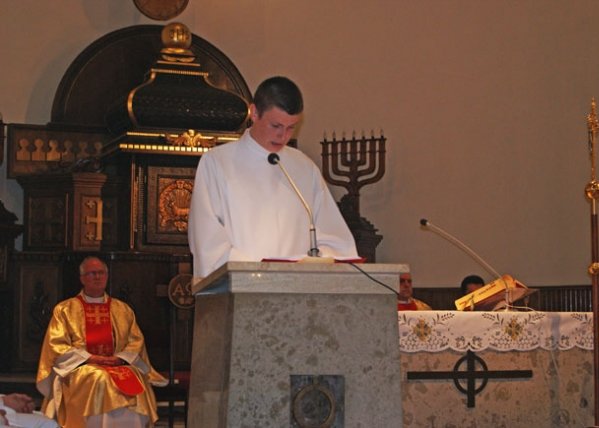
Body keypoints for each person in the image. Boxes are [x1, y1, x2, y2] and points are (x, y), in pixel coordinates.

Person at [188, 76, 359, 280]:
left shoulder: (304, 168)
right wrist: (259, 274)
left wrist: (313, 265)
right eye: (276, 126)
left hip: (296, 288)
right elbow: (208, 241)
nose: (283, 136)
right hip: (243, 286)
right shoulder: (217, 163)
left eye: (291, 127)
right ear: (254, 113)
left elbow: (334, 240)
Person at [36, 257, 167, 428]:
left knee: (134, 377)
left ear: (107, 276)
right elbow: (56, 345)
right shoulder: (65, 309)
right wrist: (90, 358)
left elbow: (136, 342)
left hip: (117, 363)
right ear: (82, 278)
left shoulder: (122, 309)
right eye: (92, 273)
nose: (97, 277)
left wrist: (119, 358)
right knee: (99, 377)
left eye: (101, 273)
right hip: (81, 366)